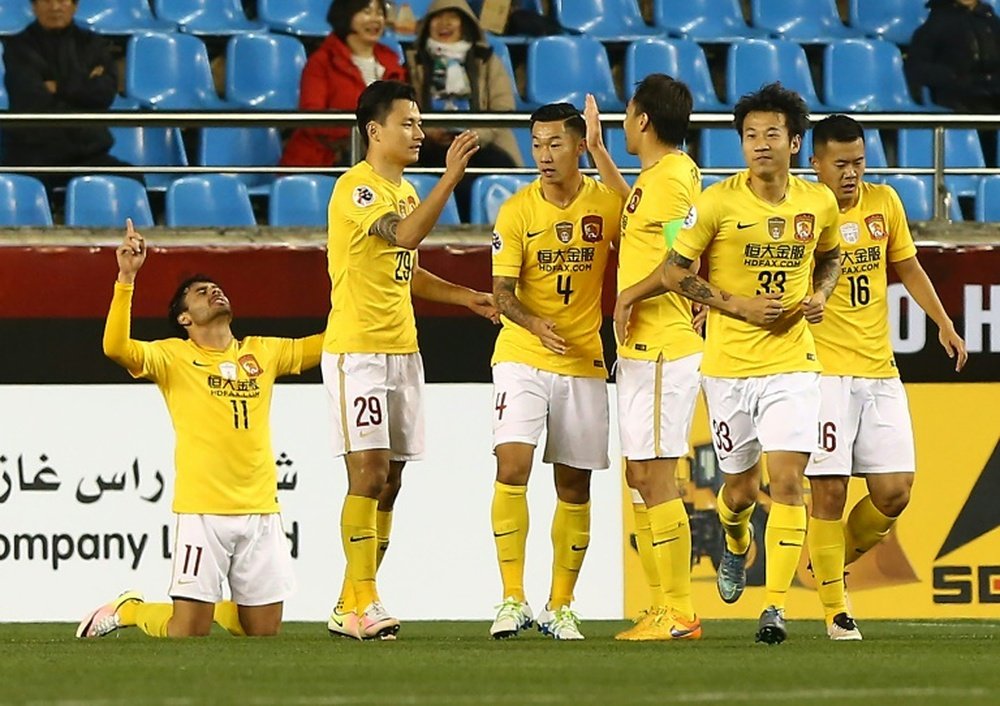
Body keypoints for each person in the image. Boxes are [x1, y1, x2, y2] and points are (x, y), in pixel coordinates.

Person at [632, 82, 842, 644]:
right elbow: (676, 272)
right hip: (727, 366)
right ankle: (734, 537)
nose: (760, 144)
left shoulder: (817, 201)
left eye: (772, 133)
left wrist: (820, 293)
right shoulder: (718, 202)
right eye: (750, 135)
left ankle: (774, 608)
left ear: (795, 142)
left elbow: (831, 255)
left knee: (788, 480)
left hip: (793, 361)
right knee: (741, 490)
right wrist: (735, 305)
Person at [76, 220, 323, 639]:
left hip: (261, 508)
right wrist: (126, 278)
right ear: (185, 318)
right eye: (199, 291)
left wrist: (367, 296)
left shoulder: (263, 351)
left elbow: (330, 343)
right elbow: (115, 347)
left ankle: (225, 607)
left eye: (215, 287)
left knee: (263, 633)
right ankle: (131, 609)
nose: (213, 291)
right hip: (203, 509)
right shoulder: (173, 357)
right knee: (187, 632)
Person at [324, 80, 497, 641]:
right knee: (368, 473)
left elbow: (407, 270)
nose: (420, 132)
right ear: (374, 131)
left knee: (391, 481)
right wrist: (450, 178)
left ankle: (350, 600)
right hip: (359, 350)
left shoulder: (401, 191)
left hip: (403, 350)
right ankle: (365, 602)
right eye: (409, 123)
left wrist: (462, 295)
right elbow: (403, 237)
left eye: (421, 124)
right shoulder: (359, 190)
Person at [805, 114, 968, 640]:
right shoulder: (803, 212)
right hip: (823, 373)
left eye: (859, 163)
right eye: (840, 164)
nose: (851, 174)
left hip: (879, 370)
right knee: (828, 492)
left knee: (895, 491)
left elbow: (909, 267)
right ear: (816, 164)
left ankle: (827, 563)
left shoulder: (885, 203)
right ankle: (837, 609)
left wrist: (943, 323)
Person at [486, 102, 621, 641]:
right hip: (522, 353)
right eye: (537, 145)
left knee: (573, 484)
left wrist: (604, 149)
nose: (543, 155)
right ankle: (511, 598)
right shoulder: (516, 210)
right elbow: (500, 293)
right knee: (512, 464)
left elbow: (656, 222)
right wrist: (534, 323)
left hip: (584, 357)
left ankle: (560, 605)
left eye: (555, 144)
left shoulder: (605, 204)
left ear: (578, 146)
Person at [584, 76, 705, 642]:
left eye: (627, 114)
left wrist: (628, 296)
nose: (624, 120)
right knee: (640, 474)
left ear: (643, 121)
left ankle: (678, 610)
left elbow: (684, 259)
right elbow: (634, 216)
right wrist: (599, 154)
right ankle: (661, 606)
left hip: (662, 347)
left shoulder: (675, 179)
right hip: (642, 349)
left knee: (656, 476)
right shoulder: (654, 180)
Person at [406, 0, 522, 221]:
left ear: (465, 24)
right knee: (442, 173)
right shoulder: (414, 62)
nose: (445, 24)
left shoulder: (487, 61)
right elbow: (406, 108)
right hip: (430, 144)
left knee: (492, 167)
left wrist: (471, 137)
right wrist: (430, 132)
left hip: (482, 144)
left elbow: (503, 108)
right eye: (438, 18)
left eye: (453, 17)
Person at [1, 0, 132, 190]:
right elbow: (33, 97)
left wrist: (59, 87)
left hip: (88, 155)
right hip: (34, 156)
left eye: (62, 0)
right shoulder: (18, 47)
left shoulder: (94, 44)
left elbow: (104, 93)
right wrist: (84, 84)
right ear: (34, 6)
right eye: (46, 1)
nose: (55, 7)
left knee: (129, 181)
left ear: (75, 6)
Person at [279, 0, 406, 168]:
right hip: (325, 160)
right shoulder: (322, 62)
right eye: (367, 12)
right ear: (346, 16)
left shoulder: (392, 63)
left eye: (379, 13)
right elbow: (312, 118)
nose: (375, 19)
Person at [908, 0, 1000, 113]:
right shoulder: (937, 23)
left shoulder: (991, 21)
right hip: (958, 97)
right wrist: (953, 77)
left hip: (992, 92)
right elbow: (916, 67)